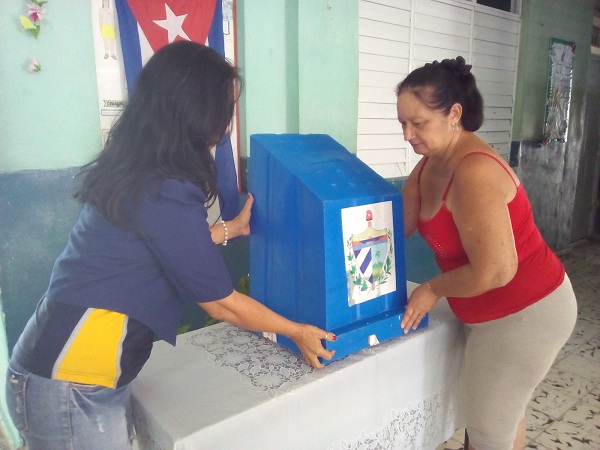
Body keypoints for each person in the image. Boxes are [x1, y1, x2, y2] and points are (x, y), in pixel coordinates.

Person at [6, 41, 336, 450]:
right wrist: (296, 332)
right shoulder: (165, 184)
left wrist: (231, 229)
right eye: (224, 108)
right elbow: (221, 303)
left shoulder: (144, 167)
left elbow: (166, 247)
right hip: (72, 382)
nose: (227, 122)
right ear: (195, 111)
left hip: (62, 367)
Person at [396, 56, 577, 450]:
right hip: (489, 310)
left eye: (418, 123)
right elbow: (397, 224)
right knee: (504, 417)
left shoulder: (475, 172)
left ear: (454, 114)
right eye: (402, 124)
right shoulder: (429, 166)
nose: (408, 134)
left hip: (527, 311)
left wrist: (432, 288)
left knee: (486, 429)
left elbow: (496, 270)